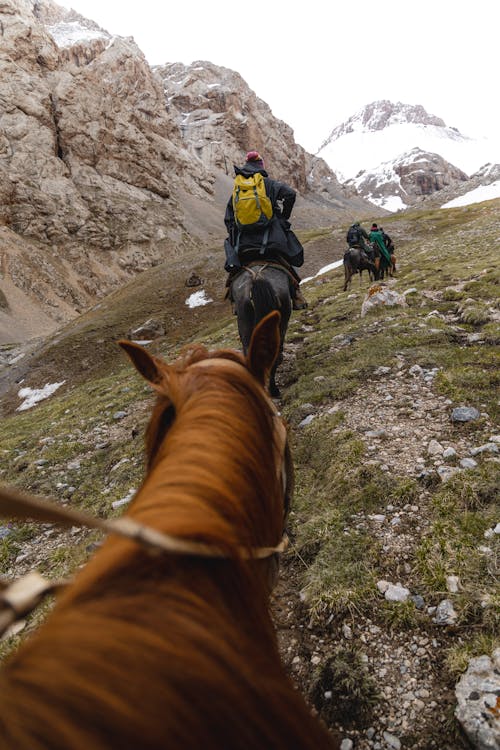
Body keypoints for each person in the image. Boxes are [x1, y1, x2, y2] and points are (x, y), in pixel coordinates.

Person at [224, 150, 307, 310]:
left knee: (235, 270)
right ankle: (296, 293)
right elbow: (290, 194)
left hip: (244, 246)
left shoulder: (238, 190)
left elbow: (228, 219)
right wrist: (283, 217)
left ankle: (233, 298)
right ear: (261, 166)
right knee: (287, 261)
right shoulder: (268, 184)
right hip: (272, 243)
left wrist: (237, 233)